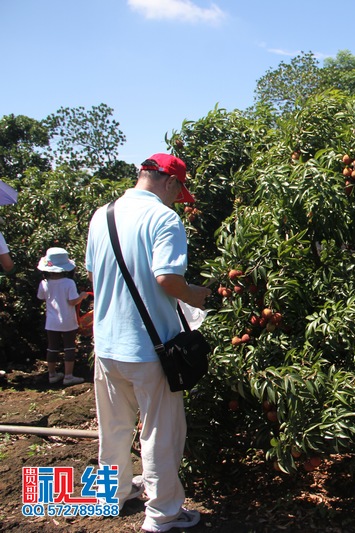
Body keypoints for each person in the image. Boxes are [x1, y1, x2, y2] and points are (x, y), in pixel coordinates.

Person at [85, 153, 211, 532]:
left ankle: (111, 495)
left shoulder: (102, 214)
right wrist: (196, 295)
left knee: (114, 428)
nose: (178, 201)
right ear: (169, 183)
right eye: (179, 192)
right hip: (150, 349)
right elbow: (167, 279)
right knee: (160, 432)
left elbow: (95, 275)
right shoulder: (162, 217)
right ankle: (163, 514)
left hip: (106, 346)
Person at [36, 247, 89, 385]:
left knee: (52, 347)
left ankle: (52, 374)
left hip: (51, 322)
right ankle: (68, 376)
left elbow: (41, 297)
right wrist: (82, 297)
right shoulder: (69, 283)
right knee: (69, 347)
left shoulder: (44, 283)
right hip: (67, 320)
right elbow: (72, 301)